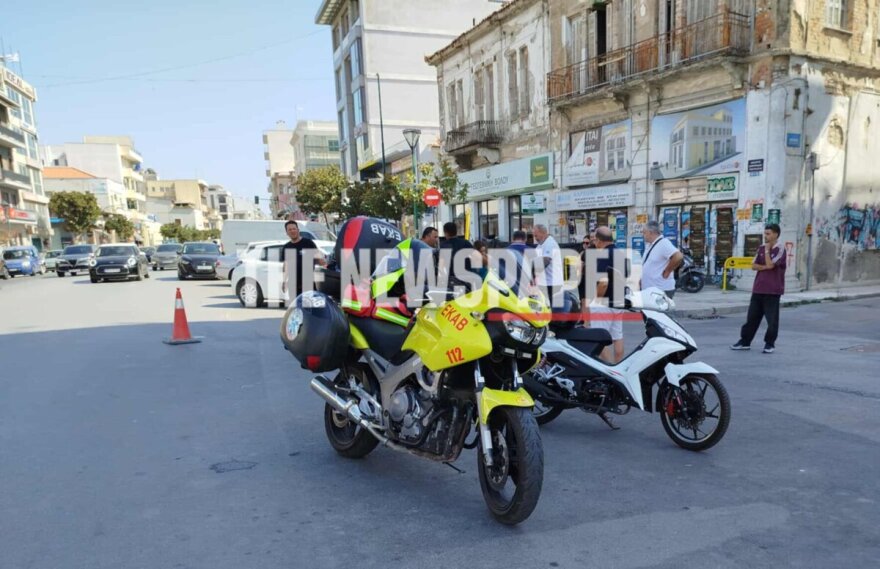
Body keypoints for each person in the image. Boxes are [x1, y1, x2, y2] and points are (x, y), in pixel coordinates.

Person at [731, 223, 786, 354]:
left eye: (768, 233)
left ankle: (769, 343)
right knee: (752, 317)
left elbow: (771, 264)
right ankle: (745, 341)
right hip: (758, 288)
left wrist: (767, 251)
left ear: (776, 234)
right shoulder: (761, 248)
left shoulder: (780, 248)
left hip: (772, 290)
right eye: (765, 233)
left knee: (771, 320)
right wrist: (764, 266)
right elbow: (754, 265)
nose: (765, 236)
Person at [584, 226, 627, 363]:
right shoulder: (620, 253)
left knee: (599, 339)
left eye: (594, 240)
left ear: (599, 240)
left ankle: (610, 369)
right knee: (617, 337)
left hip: (604, 303)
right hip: (618, 301)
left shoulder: (602, 254)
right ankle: (618, 365)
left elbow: (603, 282)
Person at [281, 220, 326, 301]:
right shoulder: (286, 247)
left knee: (310, 310)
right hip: (293, 287)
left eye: (294, 229)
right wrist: (284, 281)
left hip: (308, 285)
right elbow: (286, 266)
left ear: (298, 230)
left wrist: (323, 262)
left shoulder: (308, 243)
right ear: (287, 232)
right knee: (297, 310)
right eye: (289, 230)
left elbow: (320, 259)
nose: (292, 231)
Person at [640, 220, 683, 298]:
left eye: (644, 232)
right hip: (650, 290)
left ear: (651, 233)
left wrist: (667, 271)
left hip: (661, 289)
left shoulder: (663, 243)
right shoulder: (649, 244)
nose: (643, 235)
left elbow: (678, 256)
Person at [533, 224, 564, 307]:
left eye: (536, 235)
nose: (535, 238)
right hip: (544, 282)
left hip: (552, 283)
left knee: (551, 308)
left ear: (543, 233)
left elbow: (546, 260)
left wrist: (533, 272)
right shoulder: (541, 244)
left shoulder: (550, 243)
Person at [439, 221, 474, 289]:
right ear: (456, 231)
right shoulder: (466, 243)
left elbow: (441, 266)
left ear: (446, 233)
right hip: (468, 278)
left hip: (453, 280)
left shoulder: (444, 246)